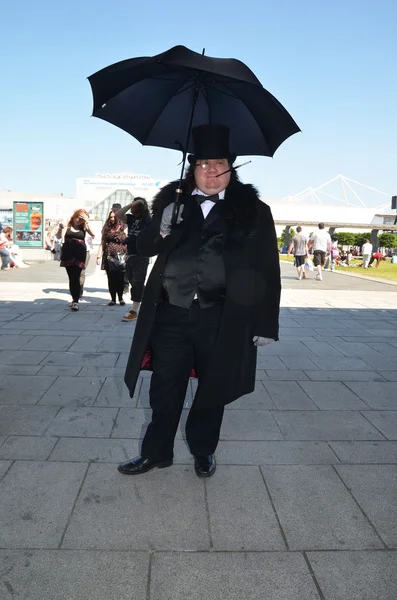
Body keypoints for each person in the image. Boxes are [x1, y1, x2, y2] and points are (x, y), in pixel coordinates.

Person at [118, 124, 281, 478]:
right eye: (203, 164)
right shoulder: (170, 203)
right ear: (191, 169)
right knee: (164, 388)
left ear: (231, 169)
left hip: (223, 317)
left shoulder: (254, 210)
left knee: (213, 388)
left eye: (218, 164)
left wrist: (266, 324)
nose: (210, 172)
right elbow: (143, 249)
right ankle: (155, 453)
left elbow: (268, 268)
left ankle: (203, 451)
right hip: (170, 313)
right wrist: (160, 227)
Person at [115, 198, 151, 322]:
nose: (135, 208)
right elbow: (119, 214)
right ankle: (152, 297)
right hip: (131, 255)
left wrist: (142, 204)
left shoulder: (148, 220)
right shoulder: (131, 219)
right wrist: (131, 204)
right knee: (131, 279)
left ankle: (134, 311)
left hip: (142, 255)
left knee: (137, 282)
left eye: (137, 205)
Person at [58, 209, 94, 311]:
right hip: (68, 253)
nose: (79, 220)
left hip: (79, 254)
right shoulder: (67, 226)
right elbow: (59, 236)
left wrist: (86, 221)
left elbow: (93, 233)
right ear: (74, 216)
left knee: (77, 276)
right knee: (71, 277)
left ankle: (75, 301)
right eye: (78, 217)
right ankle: (74, 298)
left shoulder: (84, 227)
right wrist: (60, 228)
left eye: (81, 219)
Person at [97, 210, 127, 306]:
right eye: (111, 217)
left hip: (121, 255)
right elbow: (102, 242)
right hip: (109, 256)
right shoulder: (106, 228)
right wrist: (98, 256)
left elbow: (127, 240)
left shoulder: (123, 227)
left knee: (121, 278)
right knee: (111, 278)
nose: (112, 219)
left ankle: (121, 298)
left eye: (114, 217)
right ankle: (113, 299)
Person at [79, 227, 95, 298]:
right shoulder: (74, 226)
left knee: (82, 271)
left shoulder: (87, 227)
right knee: (75, 271)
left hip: (86, 251)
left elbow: (93, 234)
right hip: (75, 251)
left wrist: (86, 224)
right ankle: (75, 287)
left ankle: (80, 288)